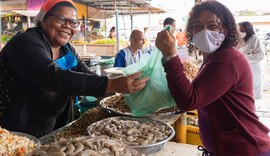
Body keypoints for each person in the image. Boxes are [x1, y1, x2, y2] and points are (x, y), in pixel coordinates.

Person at [0, 0, 149, 138]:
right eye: (61, 19)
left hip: (47, 128)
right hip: (13, 130)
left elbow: (83, 72)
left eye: (73, 22)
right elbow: (51, 75)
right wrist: (110, 84)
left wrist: (118, 96)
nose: (67, 26)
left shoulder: (66, 49)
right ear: (44, 19)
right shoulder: (25, 42)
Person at [155, 1, 270, 155]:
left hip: (245, 149)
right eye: (198, 25)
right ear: (191, 31)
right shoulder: (214, 58)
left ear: (226, 30)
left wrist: (170, 56)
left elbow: (188, 100)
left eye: (213, 25)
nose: (205, 31)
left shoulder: (227, 60)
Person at [238, 21, 264, 99]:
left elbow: (260, 54)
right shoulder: (241, 40)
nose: (240, 31)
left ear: (248, 29)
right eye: (239, 30)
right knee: (244, 94)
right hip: (244, 69)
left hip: (253, 70)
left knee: (251, 94)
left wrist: (242, 58)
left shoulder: (254, 39)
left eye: (242, 30)